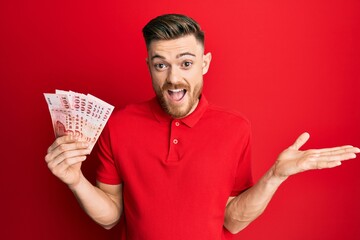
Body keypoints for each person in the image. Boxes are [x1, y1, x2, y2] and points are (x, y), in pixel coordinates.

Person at [45, 14, 359, 240]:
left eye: (185, 63)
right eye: (160, 65)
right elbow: (111, 217)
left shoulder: (235, 128)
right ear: (149, 66)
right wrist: (75, 181)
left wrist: (274, 177)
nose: (173, 78)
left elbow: (232, 221)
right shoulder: (119, 125)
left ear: (204, 63)